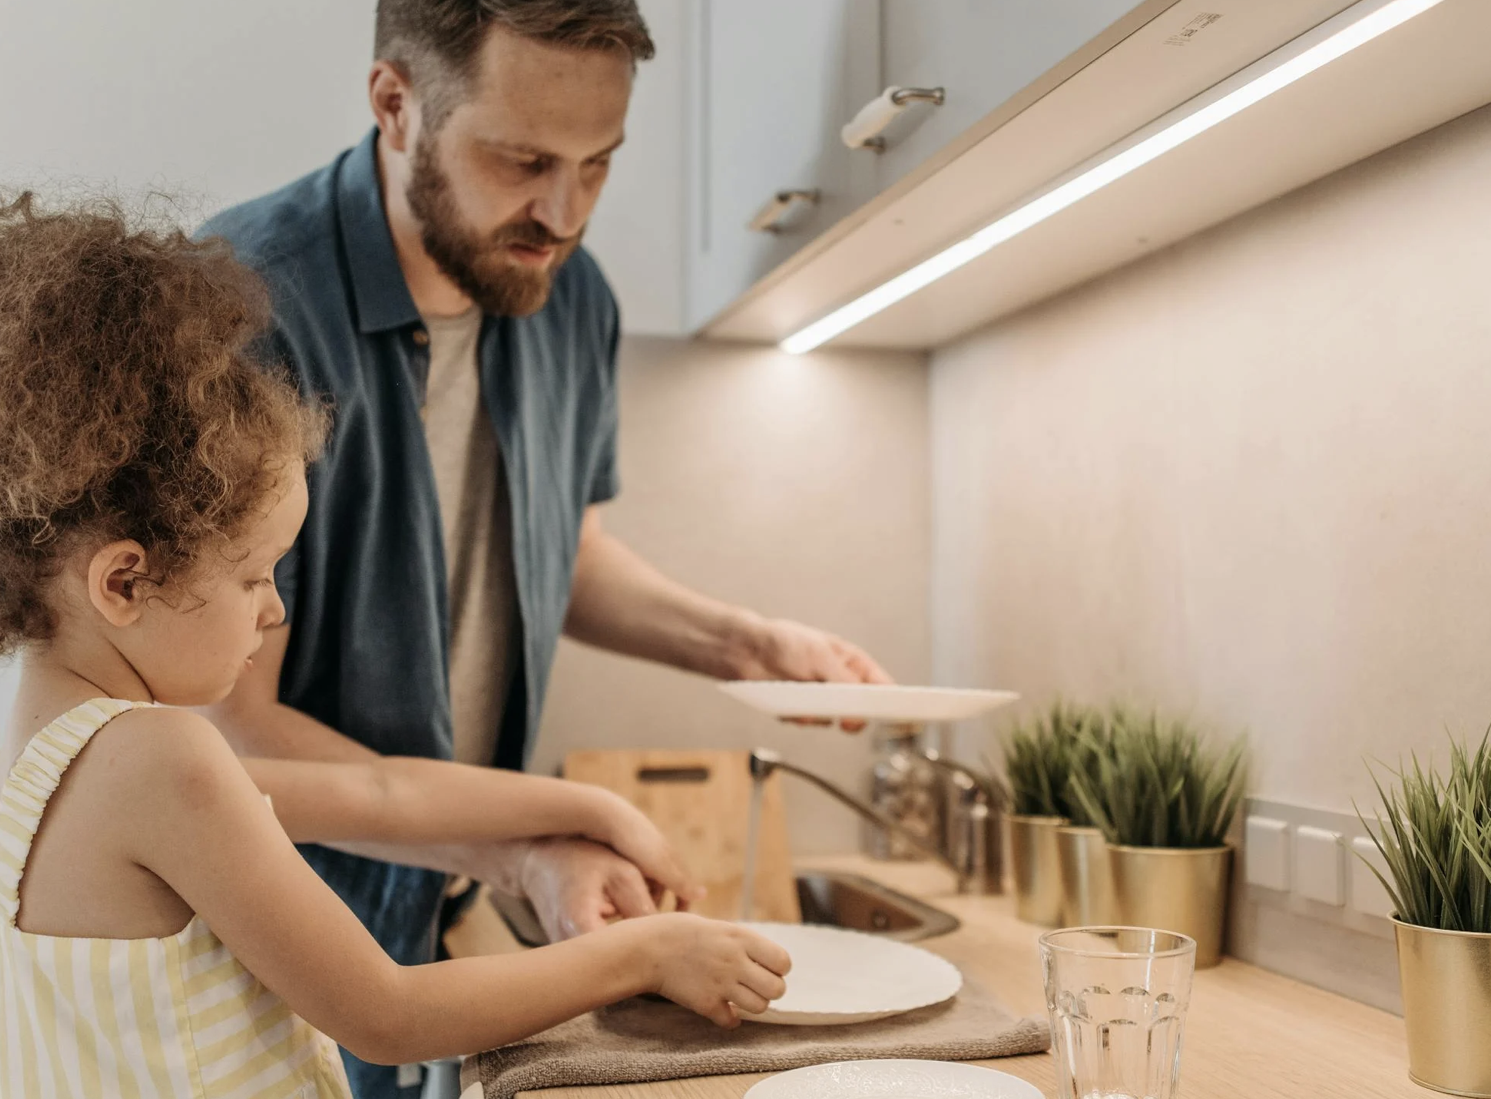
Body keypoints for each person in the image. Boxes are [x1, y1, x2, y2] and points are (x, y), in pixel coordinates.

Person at [199, 3, 886, 1093]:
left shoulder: (570, 299)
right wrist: (519, 843)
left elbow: (557, 555)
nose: (562, 214)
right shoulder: (244, 304)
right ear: (395, 105)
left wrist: (740, 643)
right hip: (270, 941)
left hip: (444, 900)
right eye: (523, 160)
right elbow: (235, 741)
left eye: (598, 165)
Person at [0, 193, 791, 1099]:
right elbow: (388, 1011)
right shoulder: (160, 759)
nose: (271, 614)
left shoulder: (49, 743)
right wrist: (645, 952)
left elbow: (381, 789)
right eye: (258, 575)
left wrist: (589, 810)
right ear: (125, 582)